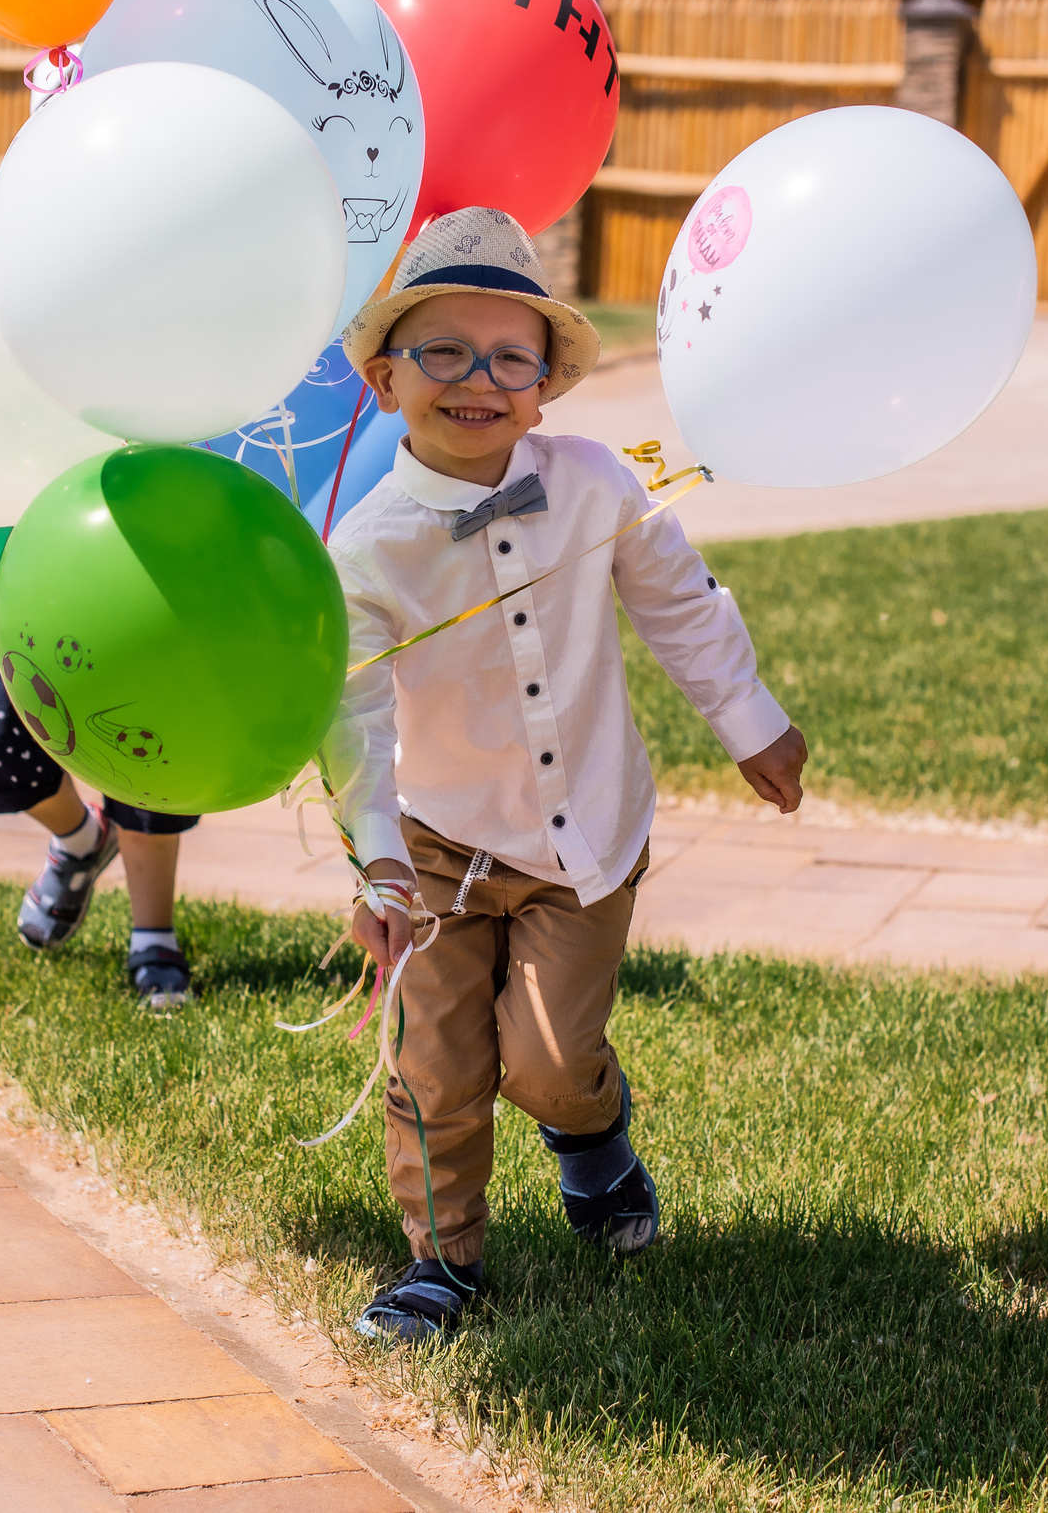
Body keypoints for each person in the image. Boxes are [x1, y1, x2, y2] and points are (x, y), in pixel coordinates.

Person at [320, 207, 811, 1344]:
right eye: (443, 352)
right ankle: (440, 1264)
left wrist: (748, 719)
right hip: (439, 842)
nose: (476, 379)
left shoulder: (596, 485)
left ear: (544, 384)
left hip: (581, 833)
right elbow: (350, 716)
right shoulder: (367, 546)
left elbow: (678, 602)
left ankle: (588, 1131)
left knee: (546, 1063)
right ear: (388, 376)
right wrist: (380, 864)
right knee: (436, 1063)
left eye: (509, 356)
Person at [0, 629, 196, 1009]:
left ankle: (154, 937)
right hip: (17, 612)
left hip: (144, 611)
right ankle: (83, 839)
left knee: (150, 768)